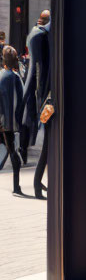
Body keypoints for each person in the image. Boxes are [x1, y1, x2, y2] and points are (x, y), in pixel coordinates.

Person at [22, 10, 50, 199]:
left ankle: (39, 182)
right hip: (44, 97)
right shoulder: (41, 35)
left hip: (39, 95)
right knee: (47, 144)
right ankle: (37, 184)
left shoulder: (34, 32)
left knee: (48, 144)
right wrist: (43, 100)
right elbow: (39, 70)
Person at [0, 46, 24, 196]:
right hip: (9, 123)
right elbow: (20, 102)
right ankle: (16, 187)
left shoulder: (1, 75)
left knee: (8, 150)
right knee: (14, 156)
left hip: (2, 121)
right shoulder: (15, 78)